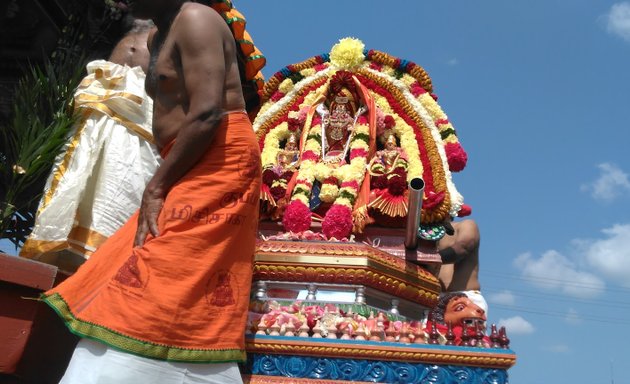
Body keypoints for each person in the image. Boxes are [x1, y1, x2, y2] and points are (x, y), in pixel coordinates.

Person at [42, 1, 261, 383]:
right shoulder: (158, 32)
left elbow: (208, 112)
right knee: (139, 256)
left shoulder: (196, 18)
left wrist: (156, 186)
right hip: (185, 156)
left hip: (219, 159)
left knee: (162, 259)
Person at [19, 19, 160, 272]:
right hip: (99, 95)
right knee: (76, 171)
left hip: (138, 105)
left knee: (120, 175)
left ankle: (97, 267)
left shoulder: (179, 15)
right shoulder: (130, 11)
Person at [437, 218, 488, 316]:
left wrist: (428, 257)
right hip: (433, 300)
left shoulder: (467, 225)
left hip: (466, 299)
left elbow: (463, 247)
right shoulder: (423, 234)